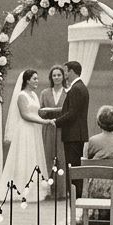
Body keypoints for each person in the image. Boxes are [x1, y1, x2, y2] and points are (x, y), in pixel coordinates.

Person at [0, 69, 53, 201]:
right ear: (27, 80)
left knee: (34, 156)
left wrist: (46, 116)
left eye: (37, 78)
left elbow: (36, 112)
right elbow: (25, 115)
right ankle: (22, 187)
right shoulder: (21, 95)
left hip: (35, 129)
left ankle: (35, 188)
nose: (37, 81)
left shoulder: (33, 94)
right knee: (25, 157)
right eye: (34, 79)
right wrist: (44, 121)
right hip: (25, 130)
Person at [45, 60, 90, 170]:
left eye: (66, 72)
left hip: (73, 135)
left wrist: (56, 122)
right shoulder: (80, 87)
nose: (65, 75)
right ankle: (74, 187)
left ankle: (74, 188)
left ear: (72, 72)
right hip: (76, 134)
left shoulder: (76, 89)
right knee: (74, 167)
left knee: (73, 168)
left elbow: (72, 113)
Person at [38, 65, 68, 194]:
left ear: (63, 77)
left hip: (63, 129)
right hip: (48, 128)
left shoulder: (68, 92)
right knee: (48, 156)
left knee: (62, 158)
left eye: (59, 75)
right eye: (54, 75)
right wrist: (46, 114)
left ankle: (61, 190)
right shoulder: (45, 93)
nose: (56, 77)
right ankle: (48, 190)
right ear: (51, 77)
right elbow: (40, 111)